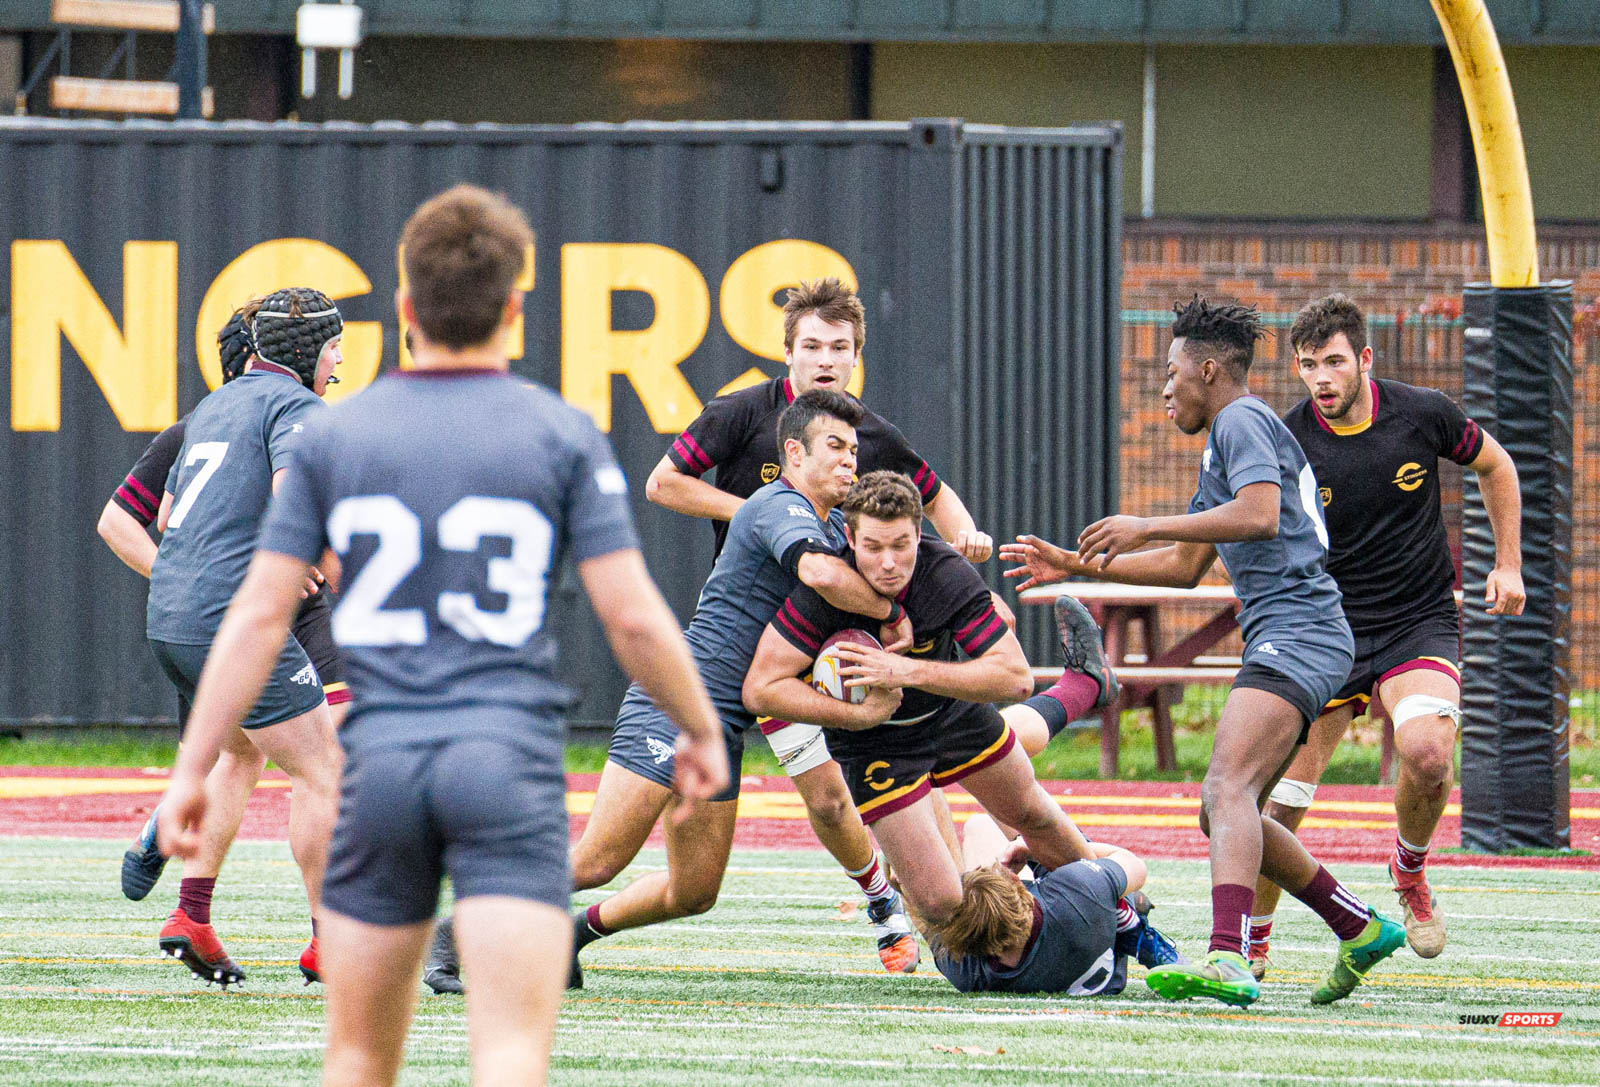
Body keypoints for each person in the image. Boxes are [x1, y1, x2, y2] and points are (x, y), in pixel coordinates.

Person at [159, 184, 727, 1087]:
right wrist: (699, 729)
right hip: (503, 759)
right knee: (506, 1051)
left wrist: (193, 765)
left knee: (356, 1056)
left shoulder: (339, 438)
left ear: (403, 308)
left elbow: (261, 610)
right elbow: (632, 613)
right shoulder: (559, 433)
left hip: (382, 762)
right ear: (514, 309)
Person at [1000, 296, 1405, 1008]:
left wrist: (1140, 521)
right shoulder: (1229, 438)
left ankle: (1226, 956)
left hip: (1300, 627)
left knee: (1225, 790)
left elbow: (1260, 514)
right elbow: (1186, 566)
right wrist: (1077, 562)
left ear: (1208, 369)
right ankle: (1358, 923)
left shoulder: (1241, 418)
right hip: (1300, 630)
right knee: (1226, 807)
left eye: (1170, 371)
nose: (1163, 387)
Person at [644, 277, 994, 970]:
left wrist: (966, 536)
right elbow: (663, 483)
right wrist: (764, 514)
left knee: (904, 778)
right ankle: (881, 901)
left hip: (839, 637)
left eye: (840, 347)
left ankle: (947, 924)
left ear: (857, 356)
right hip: (771, 643)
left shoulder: (864, 433)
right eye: (812, 346)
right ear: (788, 354)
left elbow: (937, 494)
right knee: (830, 800)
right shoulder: (743, 412)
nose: (825, 358)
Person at [545, 388, 922, 992]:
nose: (851, 459)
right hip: (676, 700)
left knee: (694, 891)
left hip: (719, 722)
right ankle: (453, 936)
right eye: (835, 446)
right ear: (793, 454)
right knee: (597, 860)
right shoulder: (780, 504)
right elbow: (821, 574)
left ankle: (573, 935)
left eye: (854, 448)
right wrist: (890, 611)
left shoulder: (831, 523)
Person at [1246, 294, 1524, 978]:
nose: (1322, 378)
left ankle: (1408, 868)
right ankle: (1250, 946)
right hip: (1327, 629)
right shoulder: (1287, 440)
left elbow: (1498, 465)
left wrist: (1509, 561)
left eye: (1335, 361)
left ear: (1364, 359)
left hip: (1416, 620)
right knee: (1277, 802)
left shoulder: (1422, 412)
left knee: (1428, 753)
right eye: (1309, 365)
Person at [742, 471, 1124, 936]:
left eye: (901, 545)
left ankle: (1122, 920)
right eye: (873, 547)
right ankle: (961, 922)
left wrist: (907, 672)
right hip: (876, 747)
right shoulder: (826, 588)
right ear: (848, 538)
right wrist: (856, 714)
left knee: (1035, 814)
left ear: (920, 534)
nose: (888, 563)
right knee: (943, 905)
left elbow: (1016, 677)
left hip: (947, 715)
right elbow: (761, 689)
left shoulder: (942, 572)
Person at [99, 305, 350, 941]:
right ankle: (331, 940)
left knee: (239, 751)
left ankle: (192, 912)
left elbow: (170, 518)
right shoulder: (287, 409)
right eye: (335, 348)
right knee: (326, 770)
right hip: (247, 611)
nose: (342, 362)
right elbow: (292, 503)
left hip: (195, 618)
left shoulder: (209, 413)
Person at [921, 812, 1183, 995]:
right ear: (1016, 884)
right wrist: (1033, 847)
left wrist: (904, 887)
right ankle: (1130, 925)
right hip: (1084, 928)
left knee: (979, 826)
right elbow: (1133, 864)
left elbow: (928, 918)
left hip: (1078, 968)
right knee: (1041, 827)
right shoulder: (1074, 893)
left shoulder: (965, 973)